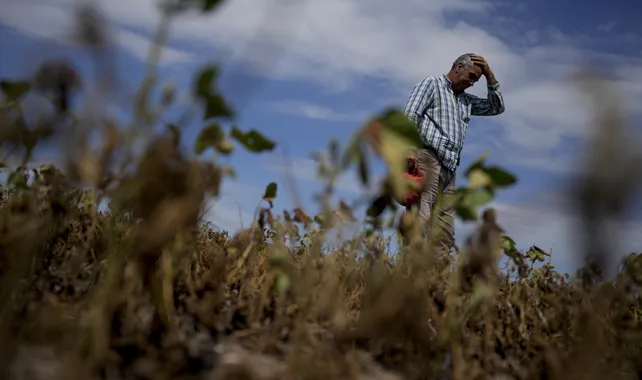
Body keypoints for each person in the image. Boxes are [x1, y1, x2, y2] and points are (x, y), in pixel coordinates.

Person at [402, 53, 505, 261]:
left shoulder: (466, 101)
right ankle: (407, 281)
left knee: (445, 232)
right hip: (426, 159)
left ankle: (436, 286)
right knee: (420, 221)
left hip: (450, 169)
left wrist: (489, 74)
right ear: (458, 67)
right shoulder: (432, 84)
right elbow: (410, 114)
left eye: (477, 79)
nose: (473, 82)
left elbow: (496, 107)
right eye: (471, 76)